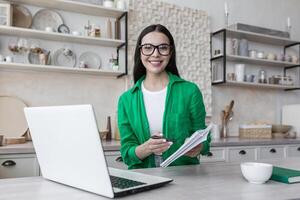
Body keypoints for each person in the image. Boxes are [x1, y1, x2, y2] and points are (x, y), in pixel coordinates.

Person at [117, 24, 211, 169]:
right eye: (148, 47)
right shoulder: (126, 100)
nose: (155, 54)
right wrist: (147, 148)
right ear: (140, 52)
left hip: (184, 179)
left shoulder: (190, 91)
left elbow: (203, 138)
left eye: (163, 47)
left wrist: (198, 147)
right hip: (144, 178)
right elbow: (127, 154)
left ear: (170, 52)